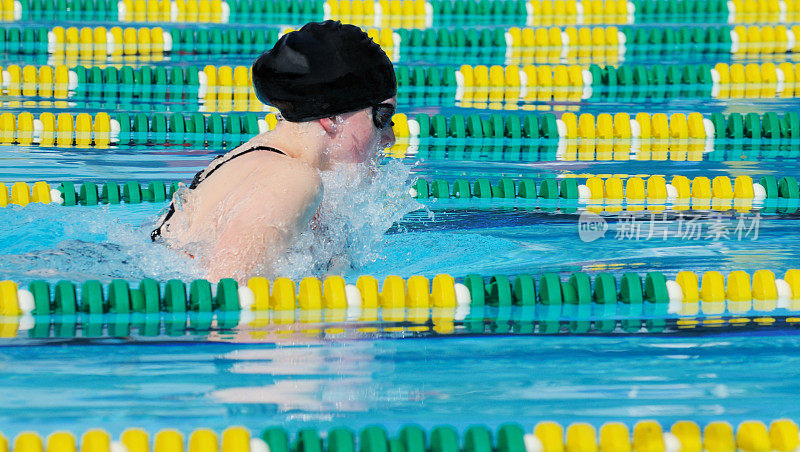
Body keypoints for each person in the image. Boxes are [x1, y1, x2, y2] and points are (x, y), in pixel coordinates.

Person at [151, 20, 397, 282]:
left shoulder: (251, 161)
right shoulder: (293, 181)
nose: (389, 138)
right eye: (383, 116)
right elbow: (229, 299)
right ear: (333, 116)